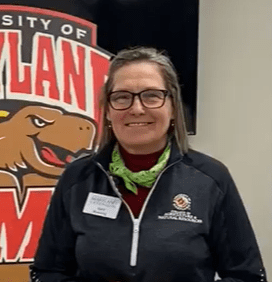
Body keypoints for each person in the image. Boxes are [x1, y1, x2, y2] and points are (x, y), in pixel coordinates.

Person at [30, 47, 266, 282]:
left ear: (173, 107)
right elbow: (47, 272)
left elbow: (247, 275)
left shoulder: (210, 178)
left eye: (151, 95)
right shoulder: (78, 178)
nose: (137, 109)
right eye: (122, 97)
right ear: (108, 111)